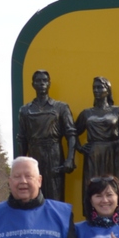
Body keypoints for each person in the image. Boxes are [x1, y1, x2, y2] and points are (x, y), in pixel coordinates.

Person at [17, 70, 76, 201]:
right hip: (34, 155)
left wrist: (70, 159)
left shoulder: (61, 107)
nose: (42, 83)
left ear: (49, 84)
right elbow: (22, 139)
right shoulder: (25, 110)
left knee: (56, 197)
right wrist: (19, 164)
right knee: (33, 195)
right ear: (33, 84)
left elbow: (71, 134)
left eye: (45, 80)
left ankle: (56, 221)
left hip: (54, 154)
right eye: (38, 81)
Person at [74, 77, 119, 188]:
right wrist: (79, 147)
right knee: (92, 186)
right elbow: (72, 132)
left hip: (111, 153)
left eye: (100, 87)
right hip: (93, 154)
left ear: (108, 90)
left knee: (112, 186)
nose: (96, 90)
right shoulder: (87, 113)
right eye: (94, 88)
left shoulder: (117, 111)